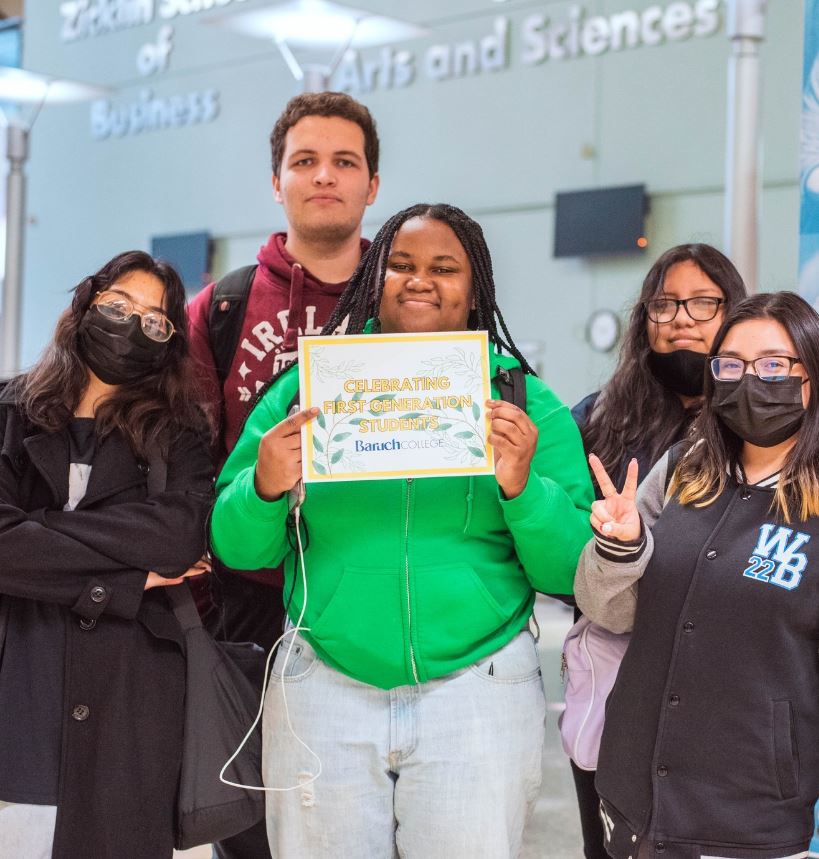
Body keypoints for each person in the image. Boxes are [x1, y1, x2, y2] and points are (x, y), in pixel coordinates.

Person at [211, 203, 594, 858]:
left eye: (444, 268)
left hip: (476, 688)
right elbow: (237, 545)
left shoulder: (523, 402)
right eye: (401, 265)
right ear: (372, 278)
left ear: (473, 288)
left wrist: (521, 487)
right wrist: (265, 484)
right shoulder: (307, 392)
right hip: (324, 685)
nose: (420, 280)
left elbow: (568, 571)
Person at [187, 89, 380, 859]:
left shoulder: (410, 301)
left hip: (367, 593)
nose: (323, 175)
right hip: (250, 601)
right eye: (304, 161)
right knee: (251, 824)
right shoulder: (222, 307)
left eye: (344, 161)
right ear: (277, 182)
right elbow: (189, 457)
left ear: (373, 185)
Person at [575, 291, 819, 859]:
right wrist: (620, 546)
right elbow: (609, 610)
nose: (749, 379)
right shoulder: (687, 467)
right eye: (730, 364)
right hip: (635, 798)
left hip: (745, 816)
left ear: (810, 375)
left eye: (773, 365)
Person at [0, 251, 213, 859]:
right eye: (118, 306)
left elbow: (177, 538)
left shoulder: (181, 431)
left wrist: (37, 531)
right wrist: (121, 580)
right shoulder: (8, 412)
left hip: (132, 696)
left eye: (154, 320)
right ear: (84, 305)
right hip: (22, 680)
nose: (131, 325)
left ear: (170, 343)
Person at [567, 244, 746, 859]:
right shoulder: (597, 419)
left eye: (703, 302)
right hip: (611, 671)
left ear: (734, 312)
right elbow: (563, 546)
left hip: (719, 683)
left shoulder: (762, 434)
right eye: (664, 304)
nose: (681, 318)